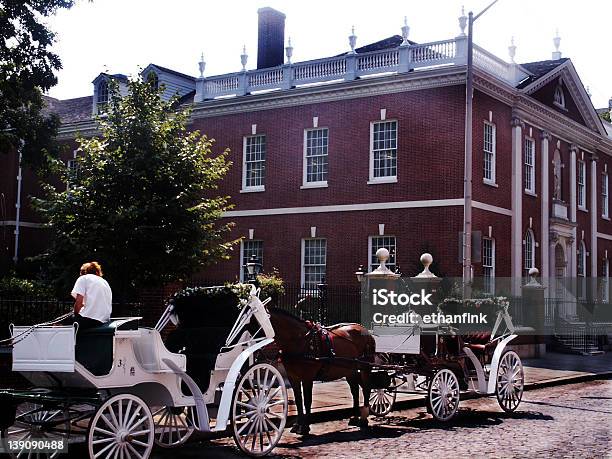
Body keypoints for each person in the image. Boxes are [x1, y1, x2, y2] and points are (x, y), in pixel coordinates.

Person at [70, 261, 112, 329]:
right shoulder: (105, 282)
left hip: (89, 319)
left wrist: (75, 314)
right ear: (97, 272)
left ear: (83, 272)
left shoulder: (83, 278)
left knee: (59, 323)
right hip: (104, 320)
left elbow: (79, 303)